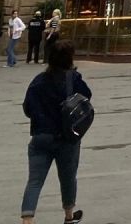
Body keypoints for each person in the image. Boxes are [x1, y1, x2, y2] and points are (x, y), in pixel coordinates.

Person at [19, 39, 91, 224]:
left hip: (41, 137)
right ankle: (68, 215)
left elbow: (28, 108)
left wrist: (41, 118)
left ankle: (28, 218)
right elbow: (87, 97)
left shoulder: (39, 80)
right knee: (68, 177)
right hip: (66, 138)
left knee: (34, 181)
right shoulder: (73, 79)